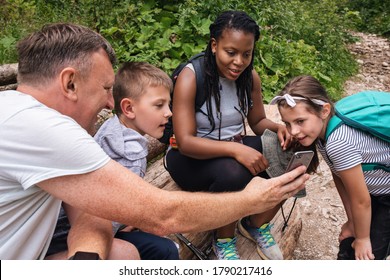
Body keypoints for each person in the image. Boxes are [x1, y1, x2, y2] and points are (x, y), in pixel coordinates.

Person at [0, 22, 309, 260]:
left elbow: (89, 208)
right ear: (70, 83)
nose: (110, 102)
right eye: (106, 88)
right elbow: (164, 215)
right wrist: (251, 200)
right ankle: (230, 237)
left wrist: (87, 259)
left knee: (126, 254)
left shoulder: (27, 116)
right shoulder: (38, 127)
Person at [165, 11, 292, 260]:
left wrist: (280, 129)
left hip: (231, 149)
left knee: (293, 153)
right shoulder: (192, 76)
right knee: (234, 171)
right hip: (188, 157)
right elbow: (186, 141)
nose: (239, 62)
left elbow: (256, 122)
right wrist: (237, 150)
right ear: (214, 45)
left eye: (247, 54)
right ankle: (223, 239)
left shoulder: (249, 77)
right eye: (231, 52)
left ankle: (255, 223)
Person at [270, 75, 390, 260]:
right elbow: (339, 176)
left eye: (300, 121)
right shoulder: (323, 132)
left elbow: (361, 201)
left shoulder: (338, 141)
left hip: (384, 195)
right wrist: (351, 221)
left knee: (369, 254)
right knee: (351, 246)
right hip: (376, 192)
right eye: (287, 123)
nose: (293, 131)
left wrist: (363, 238)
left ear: (324, 110)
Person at [94, 61, 179, 260]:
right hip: (93, 233)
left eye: (168, 104)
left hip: (78, 224)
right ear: (129, 108)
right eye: (159, 105)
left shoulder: (111, 127)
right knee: (167, 250)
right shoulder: (131, 155)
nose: (169, 112)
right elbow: (118, 213)